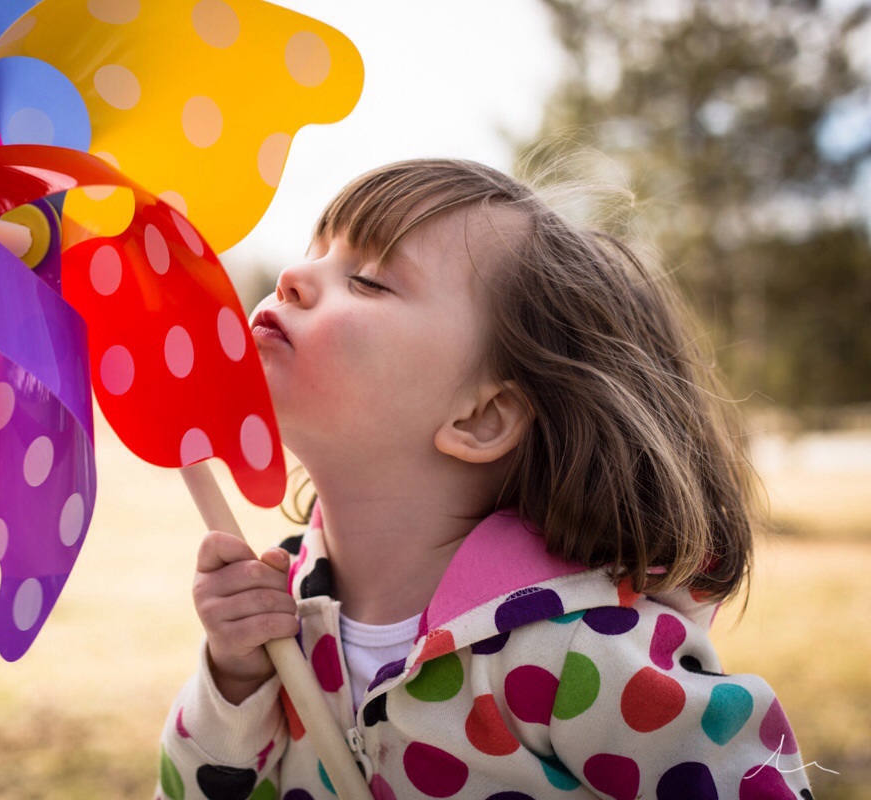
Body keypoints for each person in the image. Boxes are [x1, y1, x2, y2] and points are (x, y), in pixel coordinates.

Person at [156, 159, 813, 799]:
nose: (293, 276)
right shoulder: (279, 614)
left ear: (482, 418)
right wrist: (235, 681)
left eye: (369, 281)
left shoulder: (580, 650)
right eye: (314, 251)